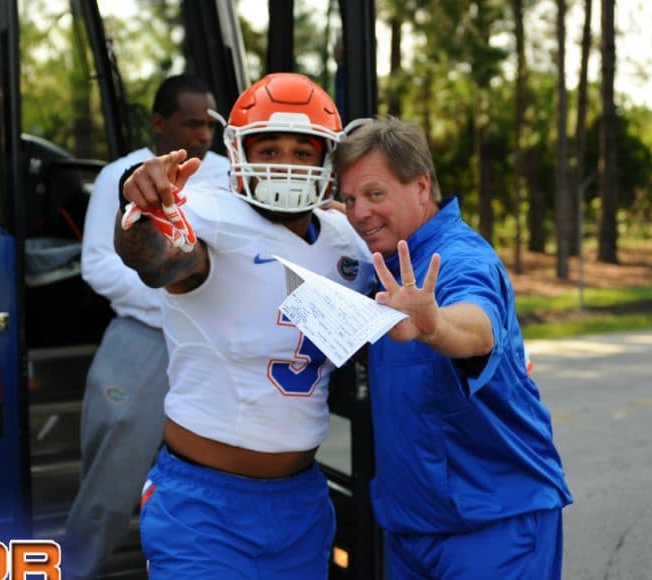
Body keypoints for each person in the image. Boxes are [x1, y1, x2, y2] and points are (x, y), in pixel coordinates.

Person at [114, 72, 374, 579]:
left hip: (300, 500)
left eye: (304, 151)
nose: (287, 165)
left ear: (328, 160)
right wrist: (142, 215)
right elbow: (160, 259)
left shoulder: (347, 240)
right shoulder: (209, 212)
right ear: (238, 152)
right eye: (270, 149)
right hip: (203, 506)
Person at [333, 117, 573, 579]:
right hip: (411, 530)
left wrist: (433, 324)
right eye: (349, 199)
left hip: (494, 527)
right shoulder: (383, 257)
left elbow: (478, 327)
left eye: (375, 194)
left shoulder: (459, 257)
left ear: (421, 186)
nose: (359, 212)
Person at [61, 73, 229, 580]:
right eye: (191, 123)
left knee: (215, 482)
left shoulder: (231, 176)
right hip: (143, 345)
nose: (204, 135)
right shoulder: (120, 175)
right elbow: (99, 264)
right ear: (159, 123)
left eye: (210, 124)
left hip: (215, 349)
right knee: (107, 487)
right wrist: (180, 300)